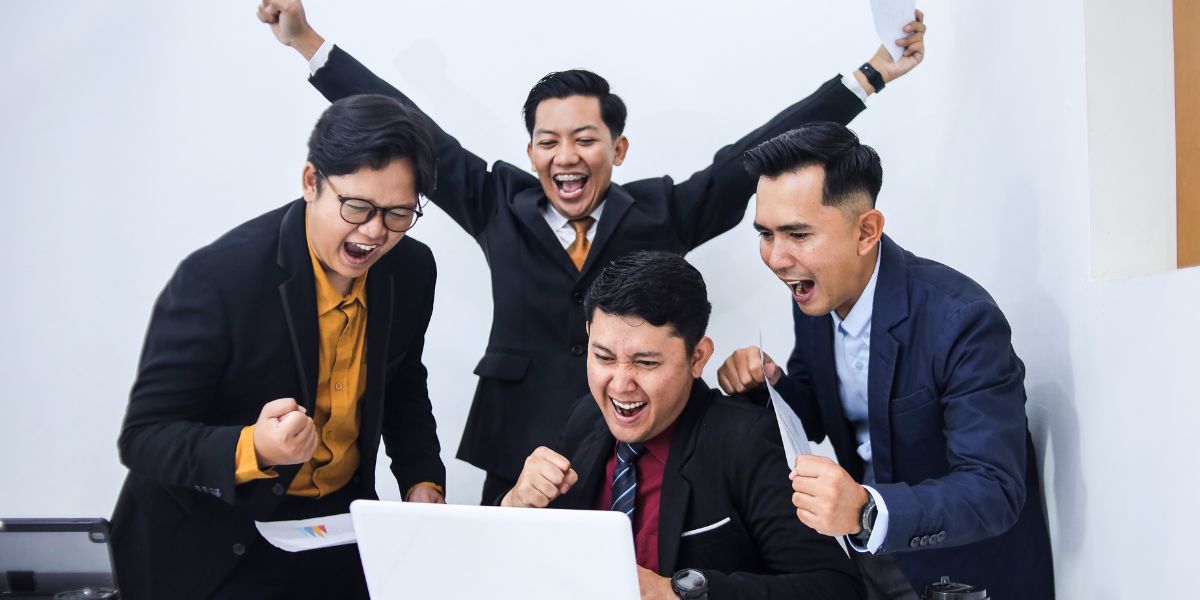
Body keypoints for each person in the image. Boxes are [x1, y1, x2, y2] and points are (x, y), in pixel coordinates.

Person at [256, 0, 927, 504]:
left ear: (618, 149)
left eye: (585, 139)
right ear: (530, 153)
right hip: (513, 448)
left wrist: (869, 76)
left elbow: (750, 156)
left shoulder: (662, 211)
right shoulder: (495, 201)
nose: (566, 156)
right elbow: (413, 126)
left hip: (631, 447)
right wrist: (308, 43)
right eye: (548, 142)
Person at [112, 94, 447, 600]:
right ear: (311, 182)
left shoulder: (411, 269)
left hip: (335, 527)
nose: (375, 232)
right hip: (219, 539)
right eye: (357, 207)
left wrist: (423, 481)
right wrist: (255, 447)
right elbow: (145, 437)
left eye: (398, 214)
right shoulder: (218, 279)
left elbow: (401, 384)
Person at [718, 123, 1054, 599]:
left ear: (866, 231)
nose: (776, 258)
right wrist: (765, 384)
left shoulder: (961, 320)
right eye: (766, 235)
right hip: (863, 559)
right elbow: (817, 407)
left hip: (956, 570)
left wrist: (865, 511)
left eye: (797, 234)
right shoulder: (814, 294)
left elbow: (994, 490)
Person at [501, 251, 865, 600]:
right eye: (603, 357)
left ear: (698, 357)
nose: (620, 384)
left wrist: (678, 593)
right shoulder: (585, 417)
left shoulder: (747, 441)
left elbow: (836, 588)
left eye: (646, 363)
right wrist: (515, 506)